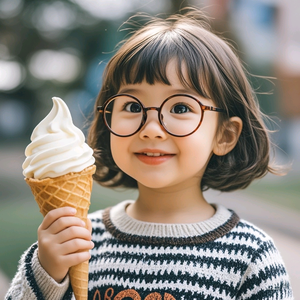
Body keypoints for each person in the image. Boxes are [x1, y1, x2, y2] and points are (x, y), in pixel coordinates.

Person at [5, 9, 293, 300]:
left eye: (180, 108)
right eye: (132, 106)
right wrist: (45, 273)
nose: (151, 128)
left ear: (225, 135)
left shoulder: (251, 256)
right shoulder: (77, 239)